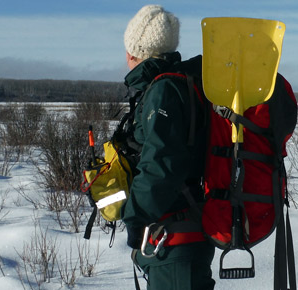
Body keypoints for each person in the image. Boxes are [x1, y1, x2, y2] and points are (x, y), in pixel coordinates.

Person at [118, 5, 215, 290]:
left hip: (173, 240)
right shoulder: (180, 84)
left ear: (136, 53)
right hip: (179, 235)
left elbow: (162, 164)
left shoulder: (163, 92)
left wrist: (134, 216)